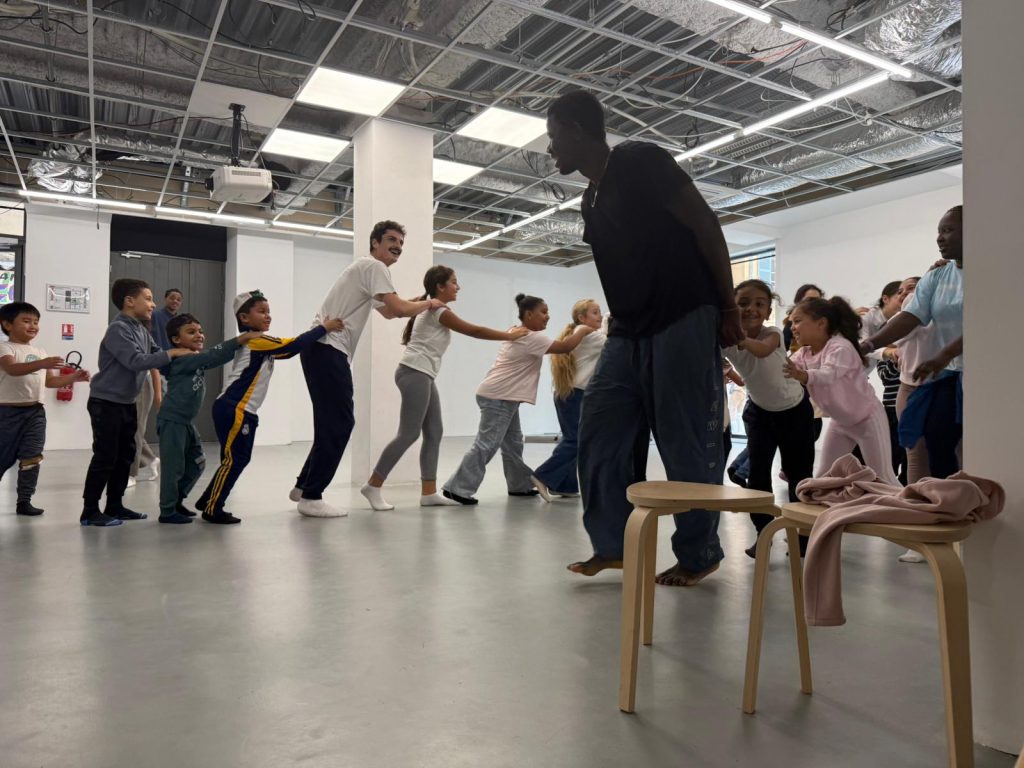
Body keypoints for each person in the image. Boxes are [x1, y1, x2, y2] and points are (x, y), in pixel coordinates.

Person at [546, 90, 743, 586]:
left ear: (576, 129)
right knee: (599, 431)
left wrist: (726, 305)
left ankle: (699, 553)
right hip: (627, 330)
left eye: (553, 137)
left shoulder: (639, 160)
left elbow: (704, 222)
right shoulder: (589, 199)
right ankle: (614, 546)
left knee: (684, 439)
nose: (550, 150)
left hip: (683, 313)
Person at [291, 220, 443, 519]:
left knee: (330, 423)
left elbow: (388, 312)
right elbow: (398, 309)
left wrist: (416, 301)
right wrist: (429, 305)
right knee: (340, 424)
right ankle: (311, 497)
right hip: (328, 349)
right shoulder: (374, 267)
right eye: (391, 240)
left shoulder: (365, 270)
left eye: (401, 242)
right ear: (375, 242)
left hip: (319, 349)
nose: (397, 246)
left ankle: (302, 486)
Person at [360, 265, 528, 511]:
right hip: (414, 372)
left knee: (434, 432)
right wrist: (509, 335)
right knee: (408, 433)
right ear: (440, 286)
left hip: (422, 374)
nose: (458, 287)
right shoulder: (439, 311)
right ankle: (373, 486)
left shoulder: (429, 306)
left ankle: (429, 493)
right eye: (454, 282)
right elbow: (475, 331)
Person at [195, 291, 343, 524]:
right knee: (235, 460)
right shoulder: (256, 341)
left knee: (234, 460)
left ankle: (208, 500)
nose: (268, 316)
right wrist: (324, 328)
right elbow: (294, 345)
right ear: (244, 318)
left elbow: (287, 352)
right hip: (235, 408)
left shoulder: (259, 343)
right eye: (261, 311)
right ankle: (213, 508)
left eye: (269, 311)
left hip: (239, 410)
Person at [442, 294, 593, 505]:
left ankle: (519, 485)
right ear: (529, 314)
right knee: (487, 444)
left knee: (513, 443)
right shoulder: (532, 337)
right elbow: (566, 347)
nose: (548, 316)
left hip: (503, 396)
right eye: (543, 312)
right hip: (499, 396)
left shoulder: (517, 331)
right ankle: (456, 488)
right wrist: (584, 329)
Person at [861, 206, 964, 480]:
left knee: (969, 451)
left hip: (984, 376)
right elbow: (910, 316)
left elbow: (986, 324)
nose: (939, 238)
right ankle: (938, 501)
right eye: (939, 231)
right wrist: (869, 344)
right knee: (935, 448)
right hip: (950, 377)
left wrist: (944, 355)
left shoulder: (992, 270)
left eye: (948, 230)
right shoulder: (937, 276)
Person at [80, 279, 192, 527]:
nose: (153, 304)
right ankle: (89, 511)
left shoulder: (141, 329)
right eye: (148, 299)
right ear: (129, 301)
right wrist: (172, 353)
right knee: (105, 456)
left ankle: (115, 505)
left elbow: (157, 356)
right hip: (106, 402)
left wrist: (188, 357)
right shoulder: (118, 329)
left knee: (125, 456)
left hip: (127, 402)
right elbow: (136, 360)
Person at [722, 280, 816, 557]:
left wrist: (735, 338)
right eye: (743, 303)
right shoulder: (726, 343)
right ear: (732, 308)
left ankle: (802, 536)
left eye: (759, 304)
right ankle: (763, 533)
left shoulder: (772, 334)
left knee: (799, 476)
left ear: (767, 312)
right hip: (760, 413)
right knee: (758, 477)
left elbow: (761, 350)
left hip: (794, 411)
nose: (751, 308)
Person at [155, 314, 261, 524]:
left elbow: (213, 357)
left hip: (186, 422)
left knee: (198, 463)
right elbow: (213, 356)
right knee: (173, 468)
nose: (199, 335)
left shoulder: (194, 357)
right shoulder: (183, 360)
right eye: (191, 332)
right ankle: (167, 511)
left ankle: (177, 501)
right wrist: (240, 339)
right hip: (173, 421)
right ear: (176, 340)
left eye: (200, 331)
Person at [783, 297, 899, 486]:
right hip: (841, 422)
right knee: (823, 477)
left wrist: (802, 375)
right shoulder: (804, 353)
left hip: (867, 419)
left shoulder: (840, 346)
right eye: (791, 323)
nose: (792, 328)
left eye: (797, 321)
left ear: (821, 323)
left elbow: (828, 375)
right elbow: (782, 369)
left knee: (883, 477)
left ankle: (911, 505)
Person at [0, 302, 90, 516]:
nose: (33, 326)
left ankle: (24, 501)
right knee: (4, 456)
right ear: (7, 324)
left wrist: (74, 377)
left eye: (36, 322)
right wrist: (42, 363)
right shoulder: (5, 348)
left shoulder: (40, 351)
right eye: (26, 321)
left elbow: (50, 382)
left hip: (36, 412)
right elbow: (12, 369)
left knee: (32, 455)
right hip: (7, 412)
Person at [531, 298, 606, 501]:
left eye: (600, 312)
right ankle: (542, 475)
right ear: (582, 317)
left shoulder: (579, 332)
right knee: (577, 440)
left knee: (571, 438)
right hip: (576, 394)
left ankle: (565, 485)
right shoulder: (589, 335)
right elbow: (611, 342)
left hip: (568, 394)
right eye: (595, 312)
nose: (600, 316)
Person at [858, 280, 904, 376]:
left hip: (859, 377)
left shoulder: (903, 322)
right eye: (900, 296)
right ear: (885, 299)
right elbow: (861, 344)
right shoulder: (865, 316)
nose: (904, 302)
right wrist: (887, 351)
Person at [783, 284, 824, 353]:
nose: (814, 304)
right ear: (798, 303)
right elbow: (783, 346)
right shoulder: (791, 322)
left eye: (817, 300)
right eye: (809, 300)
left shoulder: (826, 321)